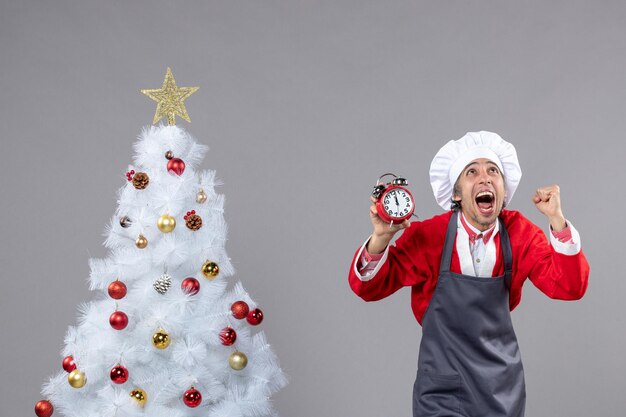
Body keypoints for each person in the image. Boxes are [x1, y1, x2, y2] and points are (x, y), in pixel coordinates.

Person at [348, 131, 589, 417]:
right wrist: (380, 238)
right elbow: (369, 287)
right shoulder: (430, 236)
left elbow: (570, 287)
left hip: (501, 390)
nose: (485, 178)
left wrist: (556, 220)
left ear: (503, 187)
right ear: (457, 193)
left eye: (493, 171)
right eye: (472, 171)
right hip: (442, 388)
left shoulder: (520, 233)